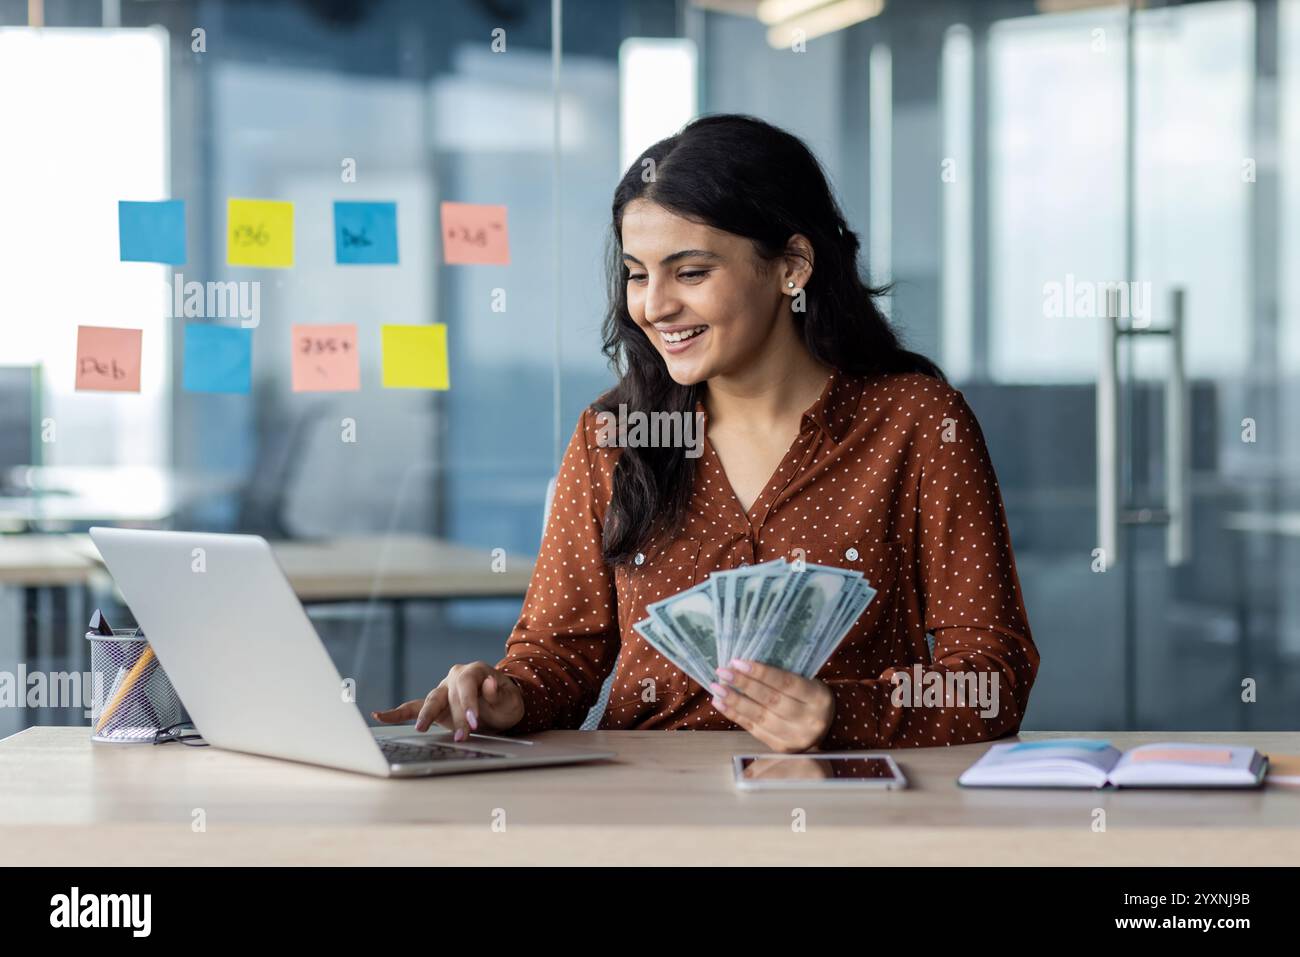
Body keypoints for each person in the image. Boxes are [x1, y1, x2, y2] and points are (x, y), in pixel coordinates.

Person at [374, 113, 1039, 752]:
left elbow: (992, 677)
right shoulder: (615, 434)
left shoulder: (919, 424)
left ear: (792, 267)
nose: (654, 305)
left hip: (844, 804)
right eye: (638, 274)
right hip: (651, 811)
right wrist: (508, 694)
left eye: (690, 272)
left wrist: (841, 711)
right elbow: (559, 657)